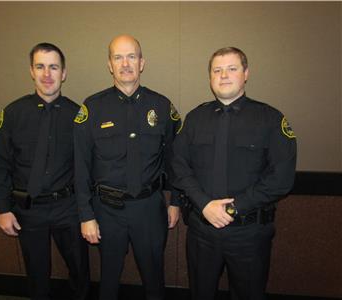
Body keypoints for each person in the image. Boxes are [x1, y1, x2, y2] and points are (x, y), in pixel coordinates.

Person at [172, 47, 297, 300]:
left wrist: (233, 208)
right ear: (210, 77)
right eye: (216, 70)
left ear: (246, 73)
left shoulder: (270, 119)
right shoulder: (195, 119)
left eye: (232, 68)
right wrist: (204, 204)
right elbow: (178, 165)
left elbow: (280, 179)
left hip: (248, 234)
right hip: (202, 231)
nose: (223, 75)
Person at [73, 34, 181, 300]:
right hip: (107, 209)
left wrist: (176, 201)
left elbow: (177, 161)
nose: (125, 63)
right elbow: (81, 166)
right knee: (108, 279)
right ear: (109, 64)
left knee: (155, 279)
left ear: (142, 62)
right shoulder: (92, 108)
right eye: (118, 57)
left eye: (131, 56)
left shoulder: (162, 106)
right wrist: (86, 215)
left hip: (149, 209)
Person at [0, 42, 90, 300]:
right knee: (37, 276)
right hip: (29, 210)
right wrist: (2, 209)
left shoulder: (78, 115)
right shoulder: (13, 114)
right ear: (31, 71)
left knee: (80, 270)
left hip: (68, 207)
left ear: (63, 73)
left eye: (53, 67)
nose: (47, 74)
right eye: (40, 67)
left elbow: (89, 166)